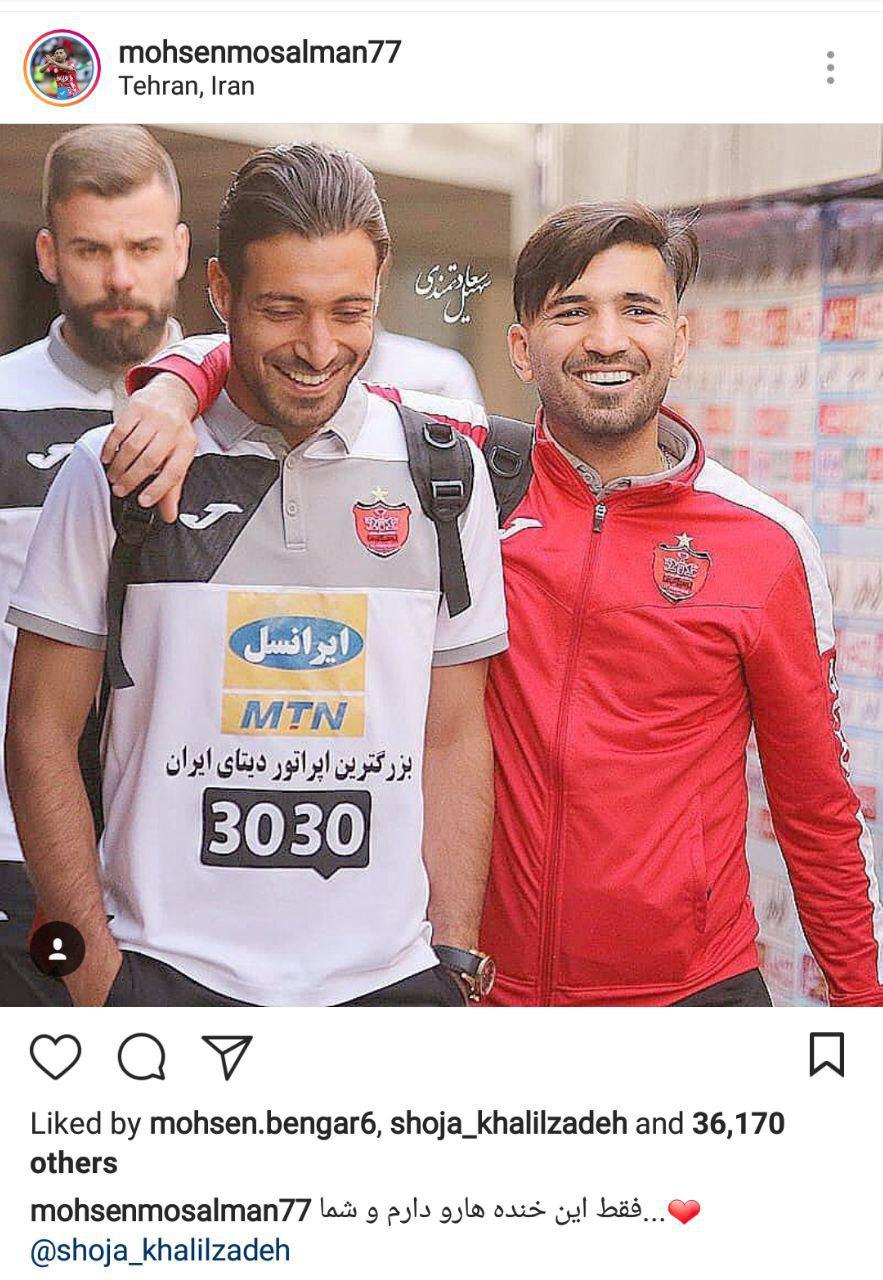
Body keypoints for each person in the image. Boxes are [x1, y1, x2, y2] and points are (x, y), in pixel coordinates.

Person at [128, 198, 883, 1007]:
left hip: (692, 995)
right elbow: (292, 354)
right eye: (572, 311)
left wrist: (861, 1006)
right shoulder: (455, 468)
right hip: (483, 991)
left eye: (638, 309)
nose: (606, 339)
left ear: (679, 338)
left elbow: (816, 812)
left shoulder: (764, 542)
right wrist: (174, 387)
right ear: (522, 349)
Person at [5, 143, 507, 1008]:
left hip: (388, 988)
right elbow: (39, 731)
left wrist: (454, 957)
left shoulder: (446, 476)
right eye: (282, 309)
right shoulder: (110, 469)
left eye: (349, 312)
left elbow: (453, 737)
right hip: (164, 975)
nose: (318, 347)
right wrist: (94, 974)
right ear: (220, 292)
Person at [0, 125, 200, 1006]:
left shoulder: (246, 408)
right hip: (15, 853)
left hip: (190, 857)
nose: (121, 278)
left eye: (143, 248)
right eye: (91, 250)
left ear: (182, 252)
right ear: (48, 254)